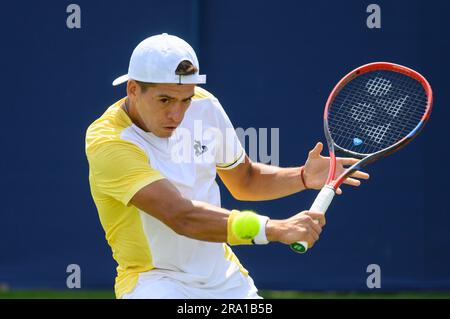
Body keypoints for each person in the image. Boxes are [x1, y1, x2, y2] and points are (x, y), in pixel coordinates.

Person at [85, 33, 369, 299]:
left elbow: (245, 180)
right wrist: (274, 228)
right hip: (155, 281)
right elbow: (182, 216)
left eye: (185, 100)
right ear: (133, 89)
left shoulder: (204, 106)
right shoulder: (110, 143)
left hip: (222, 277)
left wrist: (302, 176)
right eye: (165, 100)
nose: (177, 113)